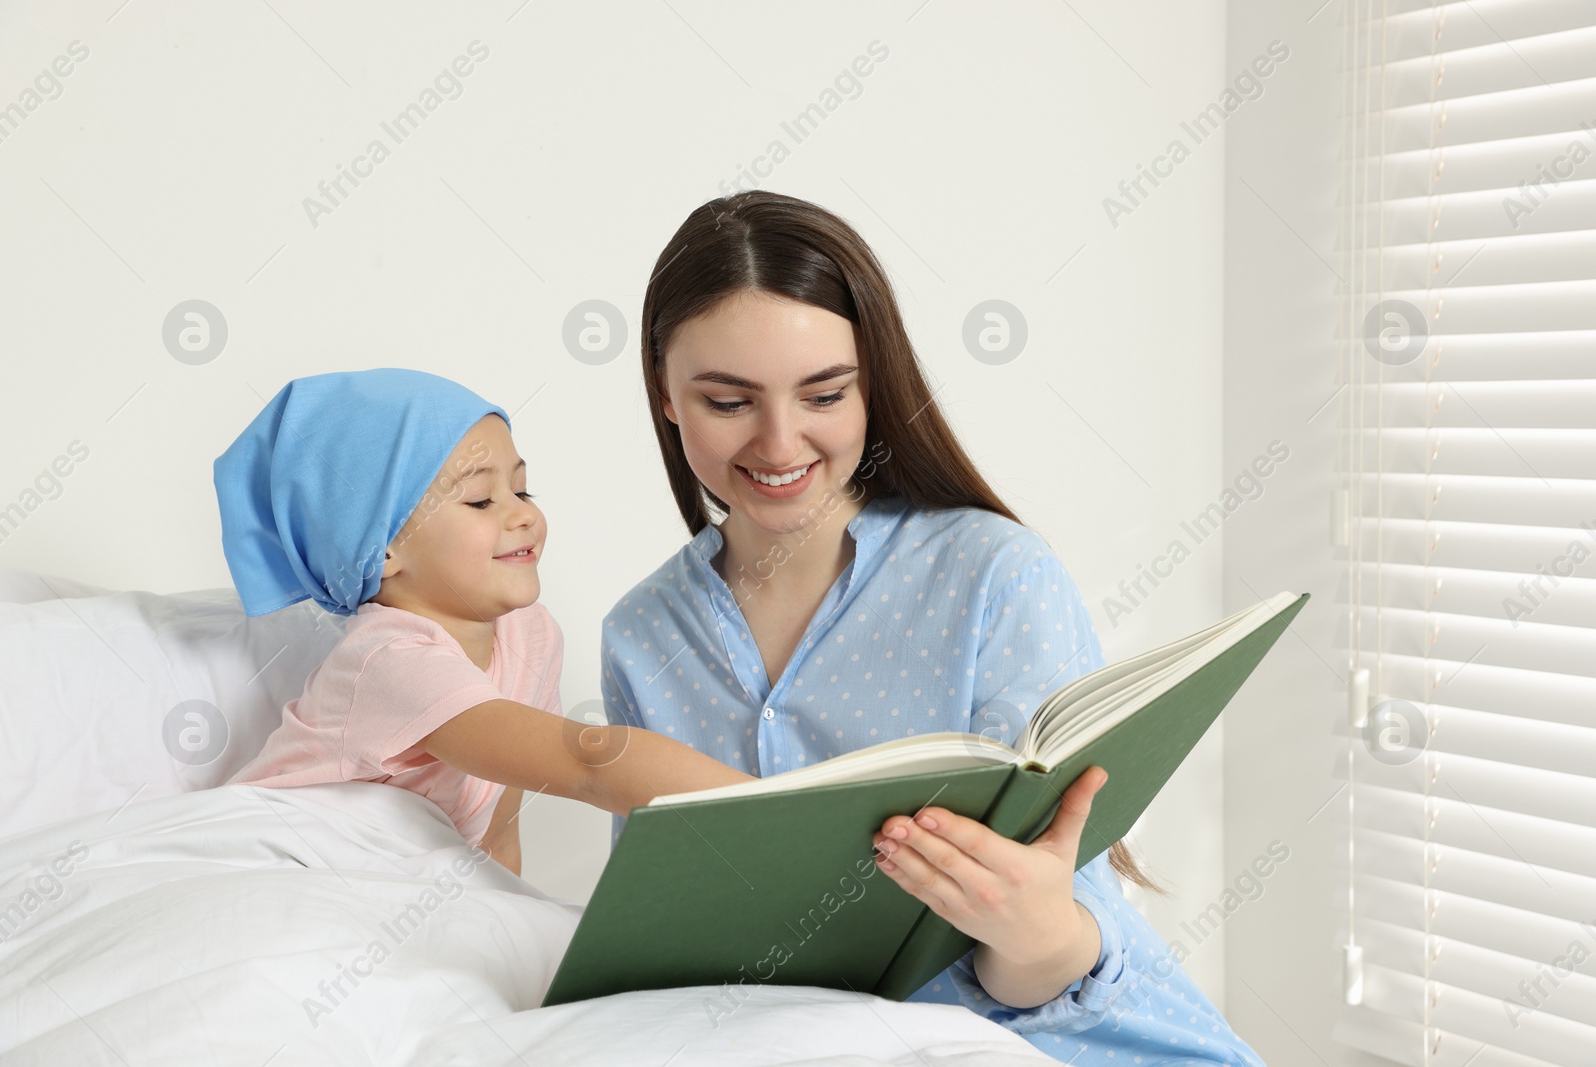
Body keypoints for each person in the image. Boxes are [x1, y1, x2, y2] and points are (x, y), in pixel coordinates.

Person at [599, 191, 1266, 1064]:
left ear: (873, 381)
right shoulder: (641, 634)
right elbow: (656, 939)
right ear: (666, 399)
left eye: (824, 393)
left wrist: (1034, 933)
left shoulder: (994, 575)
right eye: (729, 401)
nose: (779, 438)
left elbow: (1066, 926)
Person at [216, 368, 751, 876]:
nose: (522, 515)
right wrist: (776, 810)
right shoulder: (391, 661)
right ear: (376, 553)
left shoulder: (531, 638)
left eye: (522, 491)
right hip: (271, 871)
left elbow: (494, 839)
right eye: (479, 500)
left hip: (384, 893)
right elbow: (590, 767)